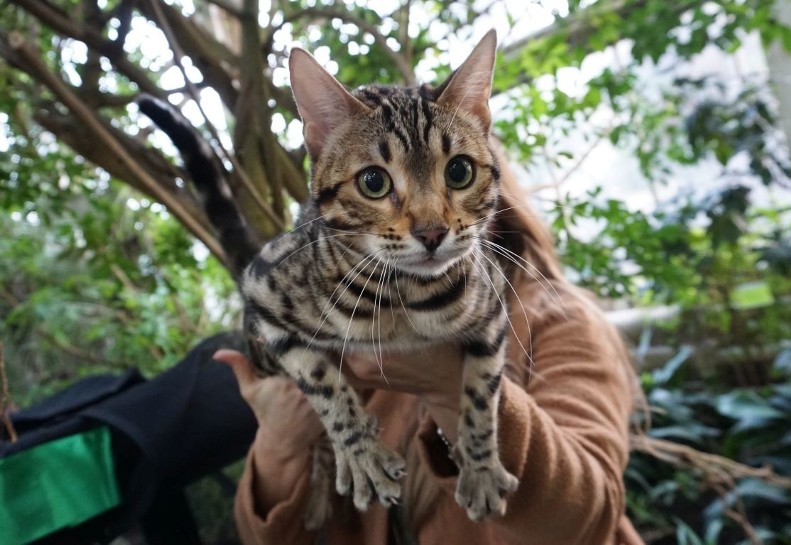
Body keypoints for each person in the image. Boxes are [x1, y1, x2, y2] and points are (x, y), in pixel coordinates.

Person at [214, 147, 645, 545]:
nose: (428, 220)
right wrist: (280, 442)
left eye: (455, 174)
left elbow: (589, 518)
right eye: (377, 183)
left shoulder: (560, 319)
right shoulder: (360, 306)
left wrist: (449, 387)